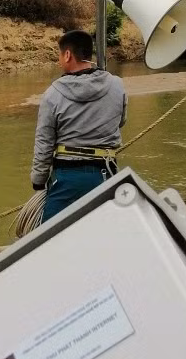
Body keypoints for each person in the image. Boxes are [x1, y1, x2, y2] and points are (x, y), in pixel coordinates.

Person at [31, 29, 127, 222]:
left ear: (67, 55)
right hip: (106, 174)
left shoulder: (53, 94)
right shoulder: (117, 85)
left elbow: (44, 143)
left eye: (60, 55)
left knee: (49, 239)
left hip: (68, 178)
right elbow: (121, 121)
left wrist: (38, 181)